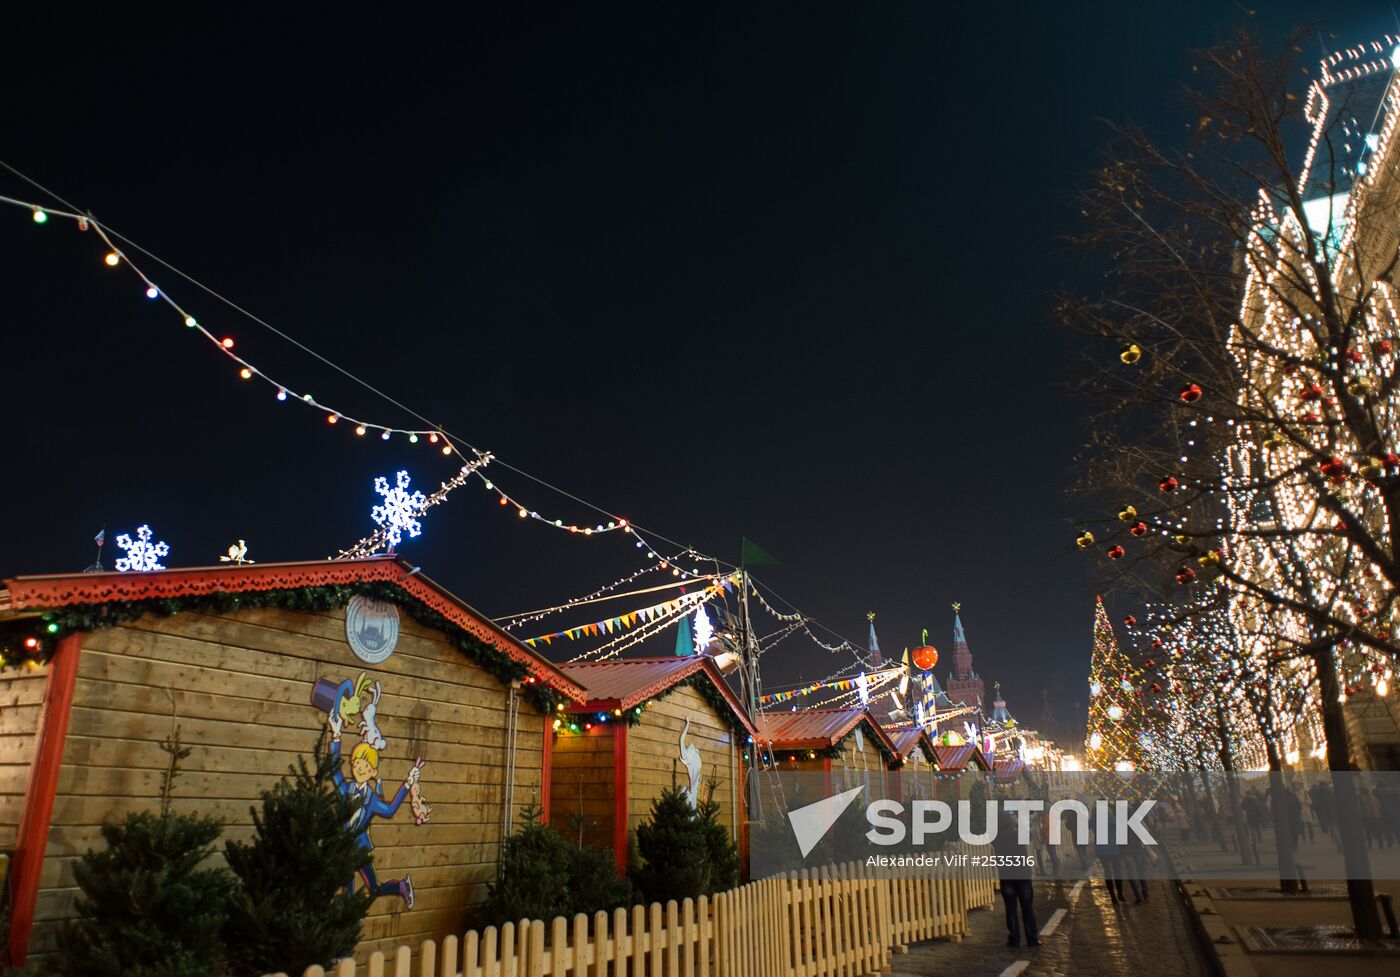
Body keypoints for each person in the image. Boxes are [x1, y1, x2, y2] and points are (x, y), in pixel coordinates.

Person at [994, 810, 1038, 948]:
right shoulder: (1017, 833)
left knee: (1011, 909)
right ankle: (1032, 938)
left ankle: (1014, 939)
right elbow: (1029, 836)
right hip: (1022, 875)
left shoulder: (996, 837)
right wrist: (1018, 824)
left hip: (1006, 876)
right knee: (1027, 908)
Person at [1094, 814, 1125, 903]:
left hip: (1101, 850)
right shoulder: (1112, 818)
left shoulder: (1094, 820)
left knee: (1107, 871)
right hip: (1113, 848)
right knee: (1117, 871)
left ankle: (1112, 896)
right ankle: (1120, 893)